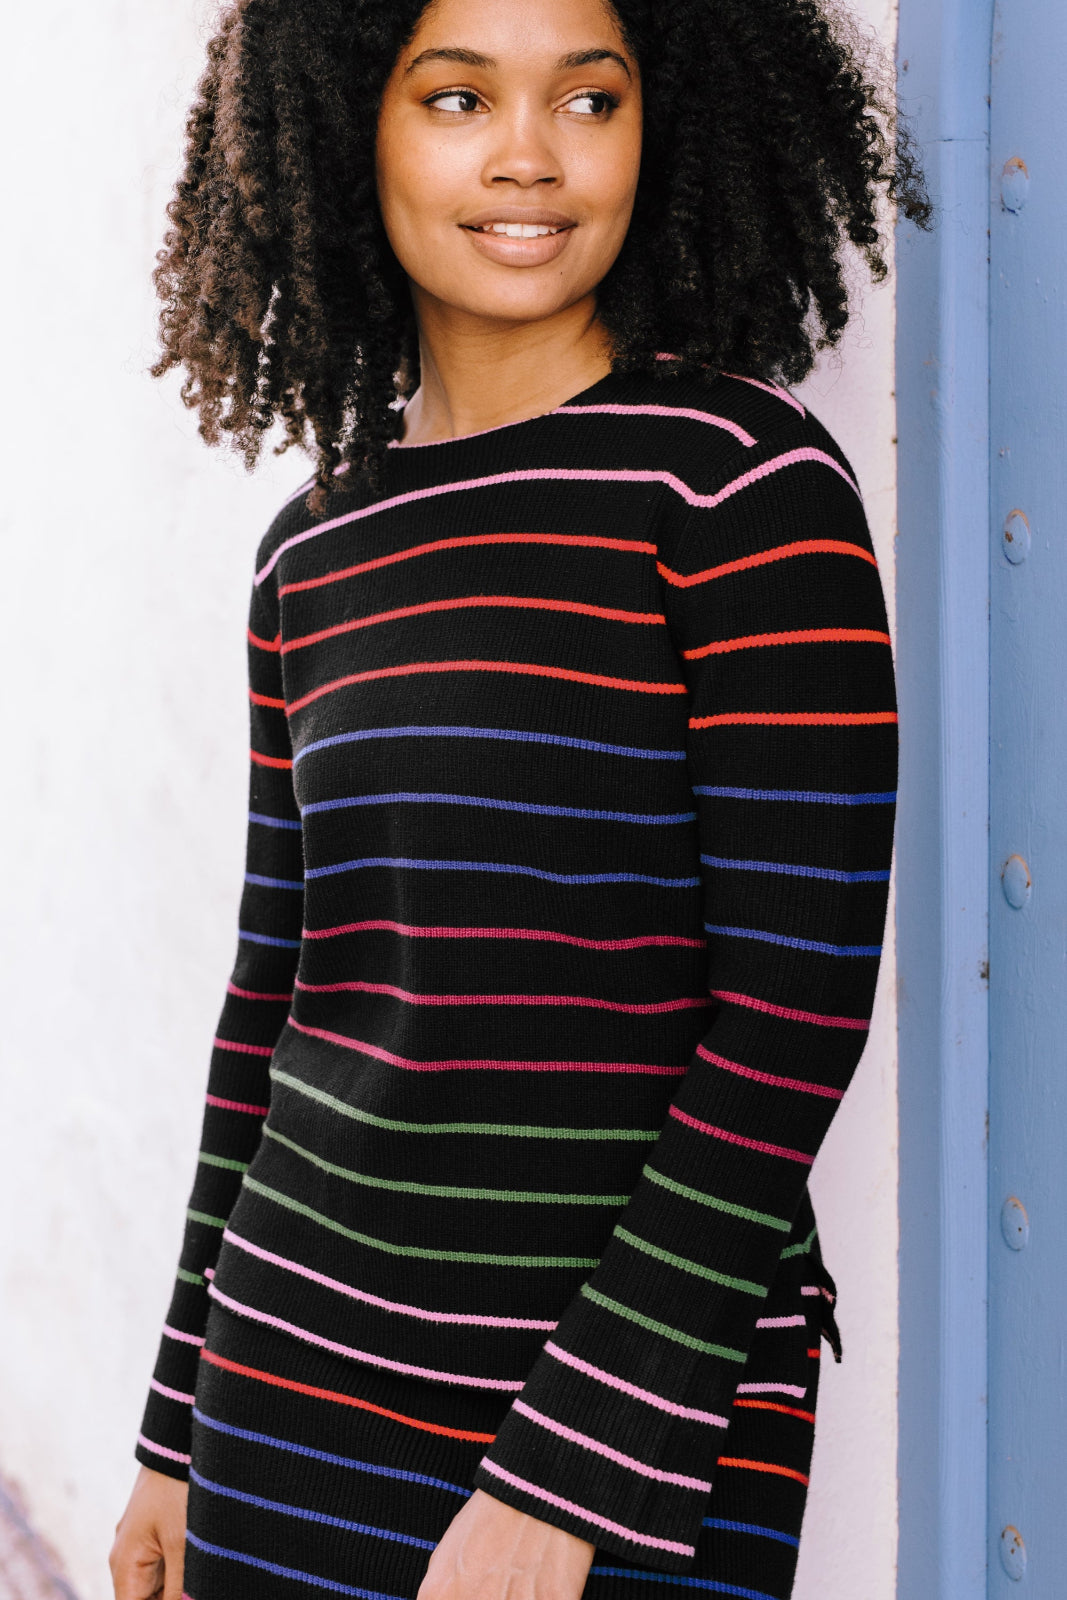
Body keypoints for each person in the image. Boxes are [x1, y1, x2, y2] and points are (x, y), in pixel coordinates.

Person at [109, 0, 928, 1596]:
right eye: (459, 95)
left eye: (591, 99)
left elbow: (792, 1016)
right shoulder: (311, 553)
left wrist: (567, 1473)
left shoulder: (740, 489)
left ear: (662, 122)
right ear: (355, 123)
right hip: (290, 1388)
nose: (529, 156)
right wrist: (170, 1427)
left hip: (627, 1425)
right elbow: (278, 998)